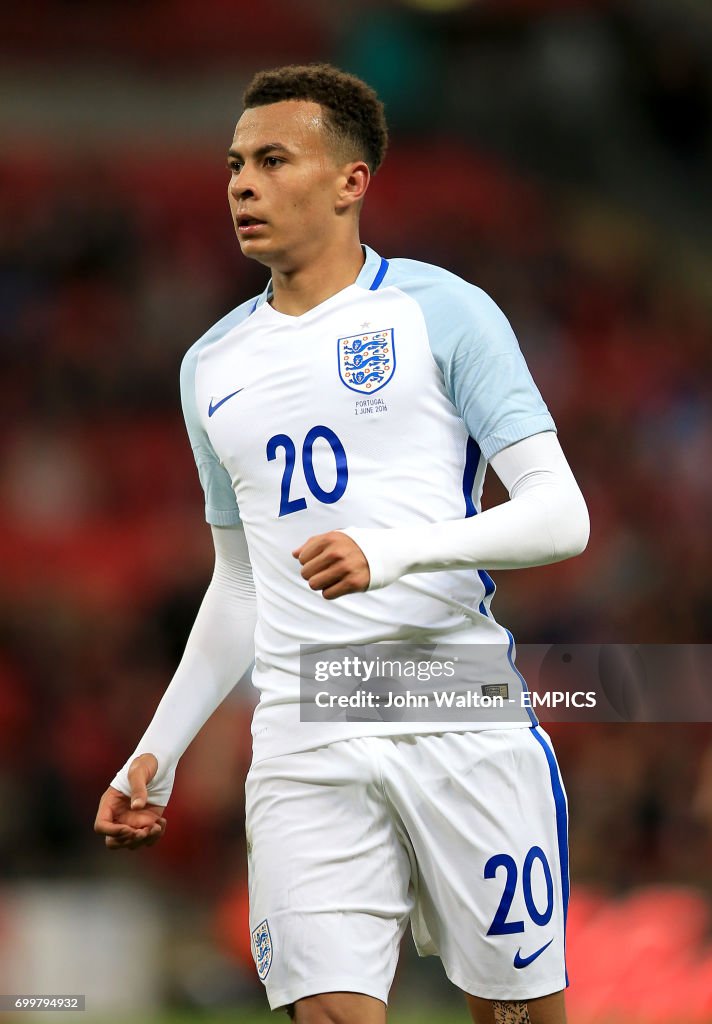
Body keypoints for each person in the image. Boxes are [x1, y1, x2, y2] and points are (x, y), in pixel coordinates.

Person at [94, 63, 589, 1024]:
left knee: (519, 1019)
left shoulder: (442, 311)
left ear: (351, 182)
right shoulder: (211, 366)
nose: (242, 183)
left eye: (274, 160)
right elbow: (241, 585)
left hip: (456, 708)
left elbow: (560, 514)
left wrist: (391, 552)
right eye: (235, 163)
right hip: (303, 729)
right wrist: (155, 751)